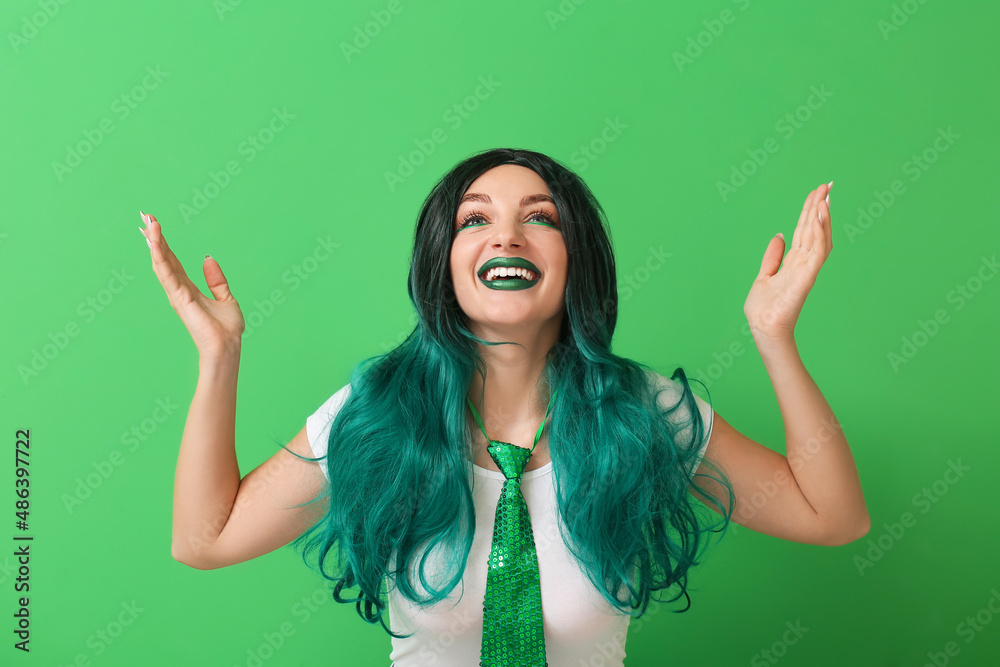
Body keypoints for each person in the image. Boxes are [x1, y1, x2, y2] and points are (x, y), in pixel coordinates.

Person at [141, 148, 869, 666]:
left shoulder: (642, 413)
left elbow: (833, 516)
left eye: (540, 217)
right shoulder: (382, 411)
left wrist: (774, 338)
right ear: (443, 263)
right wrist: (218, 357)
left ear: (577, 259)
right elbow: (205, 539)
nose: (506, 235)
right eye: (474, 219)